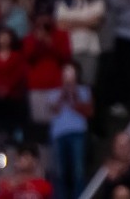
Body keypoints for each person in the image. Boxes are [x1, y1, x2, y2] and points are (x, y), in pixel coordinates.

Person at [39, 65, 92, 199]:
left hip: (78, 133)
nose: (68, 77)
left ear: (76, 76)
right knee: (59, 171)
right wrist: (63, 95)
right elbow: (52, 111)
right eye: (66, 74)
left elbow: (88, 112)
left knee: (78, 171)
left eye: (71, 74)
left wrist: (74, 97)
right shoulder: (53, 92)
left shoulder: (84, 91)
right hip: (58, 134)